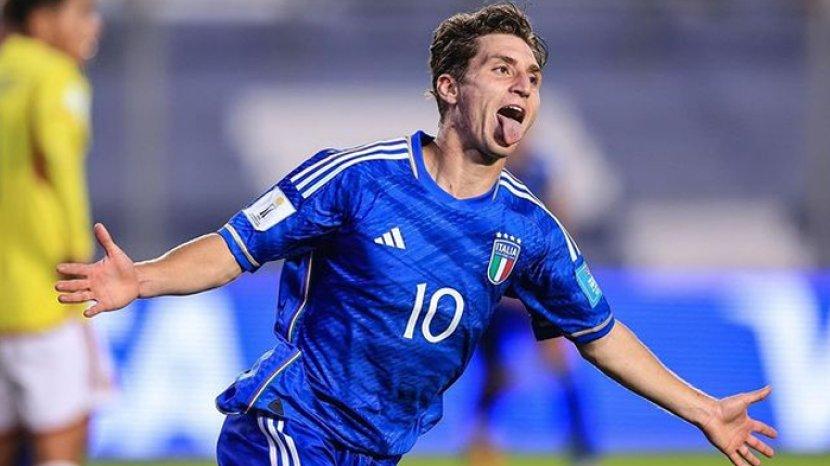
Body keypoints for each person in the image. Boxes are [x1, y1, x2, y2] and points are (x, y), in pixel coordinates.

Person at [56, 3, 776, 466]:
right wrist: (141, 277)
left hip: (379, 452)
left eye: (532, 77)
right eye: (502, 70)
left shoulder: (531, 230)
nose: (523, 87)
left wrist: (705, 410)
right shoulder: (357, 179)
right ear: (449, 87)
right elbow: (236, 246)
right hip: (289, 425)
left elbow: (600, 332)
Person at [0, 1, 104, 466]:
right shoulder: (56, 77)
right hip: (46, 298)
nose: (93, 26)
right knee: (62, 445)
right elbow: (60, 168)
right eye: (82, 12)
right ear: (42, 19)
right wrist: (80, 260)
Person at [469, 142, 597, 466]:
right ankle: (482, 437)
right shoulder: (485, 175)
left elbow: (562, 224)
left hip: (534, 289)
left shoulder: (540, 172)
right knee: (497, 374)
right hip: (496, 294)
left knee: (561, 361)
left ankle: (581, 444)